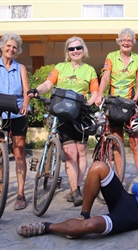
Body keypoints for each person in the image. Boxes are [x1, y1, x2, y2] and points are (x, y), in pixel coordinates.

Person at [16, 140, 138, 238]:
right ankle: (84, 213)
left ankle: (46, 228)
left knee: (88, 229)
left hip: (134, 218)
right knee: (98, 166)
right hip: (128, 200)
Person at [27, 36, 99, 207]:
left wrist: (89, 103)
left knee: (81, 152)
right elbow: (47, 84)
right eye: (71, 49)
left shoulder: (89, 70)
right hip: (63, 113)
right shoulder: (60, 67)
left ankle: (78, 188)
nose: (75, 51)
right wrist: (36, 90)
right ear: (67, 52)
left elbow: (95, 91)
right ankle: (75, 190)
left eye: (78, 48)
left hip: (80, 114)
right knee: (70, 153)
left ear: (83, 49)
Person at [95, 28, 138, 180]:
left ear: (133, 43)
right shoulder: (111, 56)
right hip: (114, 103)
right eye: (123, 40)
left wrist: (135, 100)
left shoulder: (137, 59)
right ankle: (120, 180)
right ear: (119, 42)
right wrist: (99, 94)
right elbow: (105, 77)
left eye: (129, 40)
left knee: (136, 143)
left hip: (130, 103)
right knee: (118, 143)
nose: (126, 42)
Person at [0, 32, 30, 210]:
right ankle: (2, 190)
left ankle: (20, 194)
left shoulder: (21, 68)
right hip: (0, 113)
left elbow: (26, 90)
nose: (11, 49)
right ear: (2, 46)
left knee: (19, 153)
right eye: (8, 46)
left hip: (17, 113)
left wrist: (25, 105)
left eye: (14, 47)